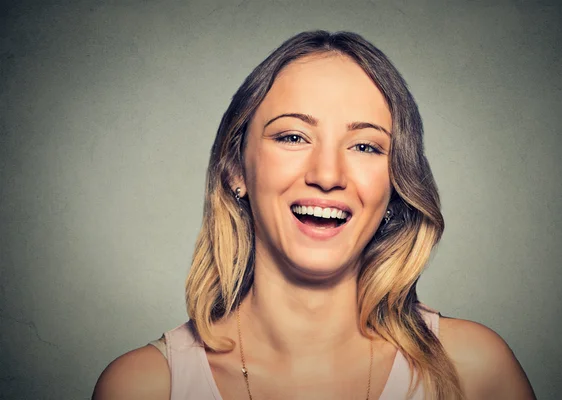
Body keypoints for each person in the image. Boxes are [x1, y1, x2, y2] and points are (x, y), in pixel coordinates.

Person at [92, 30, 536, 400]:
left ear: (396, 182)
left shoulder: (474, 370)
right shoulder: (143, 387)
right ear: (235, 169)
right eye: (292, 136)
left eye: (365, 146)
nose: (327, 175)